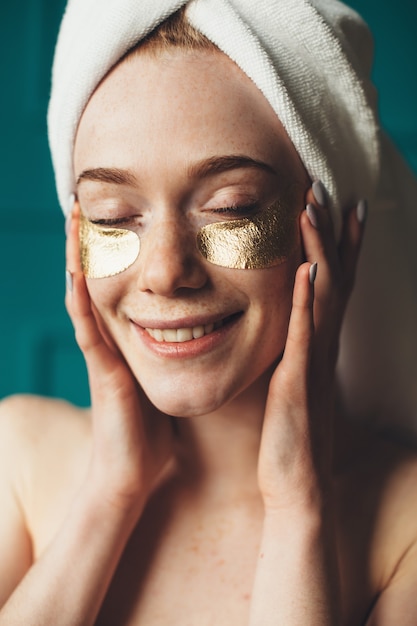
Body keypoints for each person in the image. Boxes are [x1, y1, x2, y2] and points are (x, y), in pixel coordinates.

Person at [1, 1, 417, 624]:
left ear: (331, 229)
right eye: (113, 216)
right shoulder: (18, 458)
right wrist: (109, 493)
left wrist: (297, 508)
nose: (166, 271)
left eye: (232, 207)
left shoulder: (405, 526)